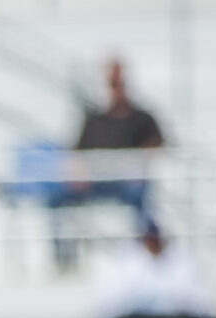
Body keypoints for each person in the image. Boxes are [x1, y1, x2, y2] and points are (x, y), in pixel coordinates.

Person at [51, 58, 164, 268]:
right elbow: (75, 153)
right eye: (111, 84)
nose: (115, 89)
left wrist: (134, 163)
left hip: (126, 183)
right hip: (95, 182)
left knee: (140, 196)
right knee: (56, 198)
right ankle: (63, 257)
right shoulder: (94, 119)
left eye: (119, 83)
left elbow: (155, 146)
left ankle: (149, 250)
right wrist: (78, 173)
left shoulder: (142, 117)